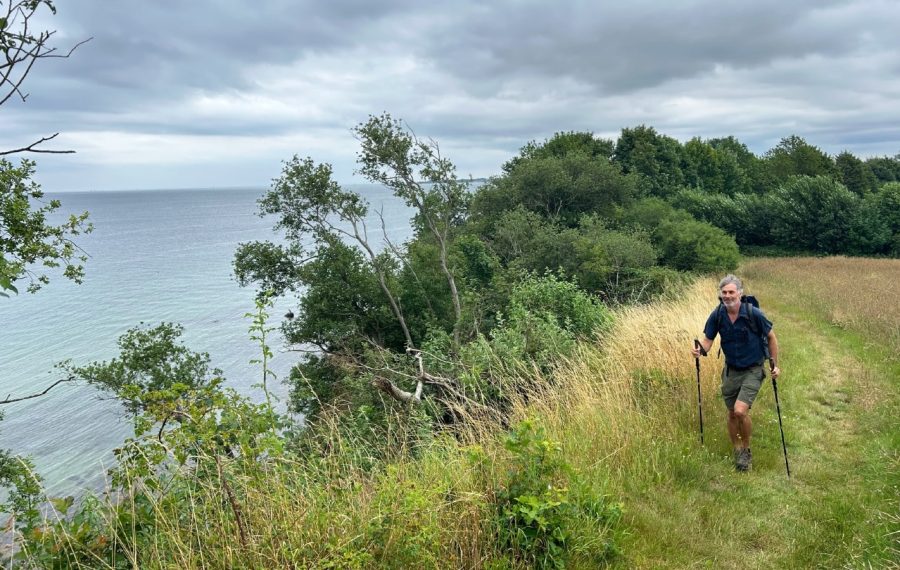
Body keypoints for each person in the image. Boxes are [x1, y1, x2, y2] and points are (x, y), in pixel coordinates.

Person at [691, 274, 780, 472]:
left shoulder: (753, 313)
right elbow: (708, 340)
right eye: (724, 292)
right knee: (732, 414)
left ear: (740, 293)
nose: (728, 296)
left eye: (731, 292)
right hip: (731, 370)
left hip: (753, 369)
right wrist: (700, 350)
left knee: (740, 411)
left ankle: (746, 450)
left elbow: (771, 337)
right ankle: (737, 450)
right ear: (720, 295)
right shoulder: (718, 314)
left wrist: (774, 364)